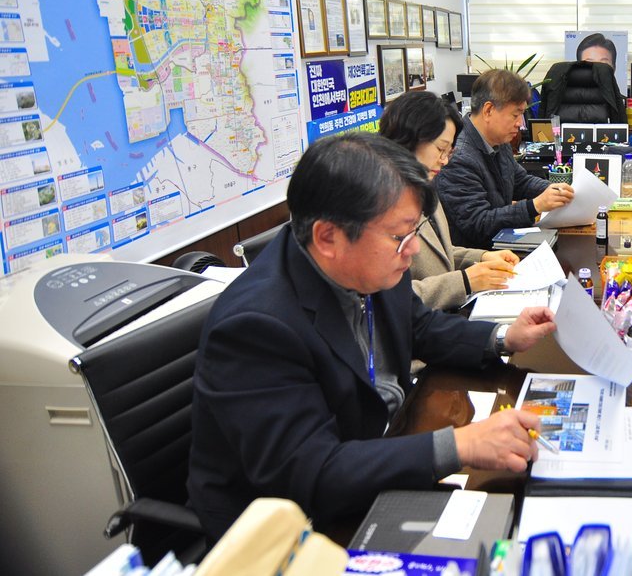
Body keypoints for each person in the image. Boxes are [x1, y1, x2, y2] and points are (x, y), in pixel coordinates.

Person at [188, 134, 557, 540]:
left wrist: (503, 338)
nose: (412, 250)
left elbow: (419, 328)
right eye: (400, 236)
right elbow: (310, 471)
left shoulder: (369, 264)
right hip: (286, 533)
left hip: (378, 450)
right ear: (328, 237)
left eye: (414, 231)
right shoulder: (256, 327)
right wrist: (460, 445)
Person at [379, 91, 519, 309]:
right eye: (440, 149)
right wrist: (464, 281)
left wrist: (483, 257)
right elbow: (386, 299)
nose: (444, 160)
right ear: (407, 140)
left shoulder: (424, 185)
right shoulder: (378, 203)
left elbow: (440, 253)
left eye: (449, 152)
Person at [437, 69, 574, 248]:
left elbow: (519, 181)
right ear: (488, 110)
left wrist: (556, 190)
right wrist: (535, 206)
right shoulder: (458, 157)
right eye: (515, 115)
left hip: (503, 244)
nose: (520, 123)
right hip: (481, 255)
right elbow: (478, 224)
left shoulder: (499, 140)